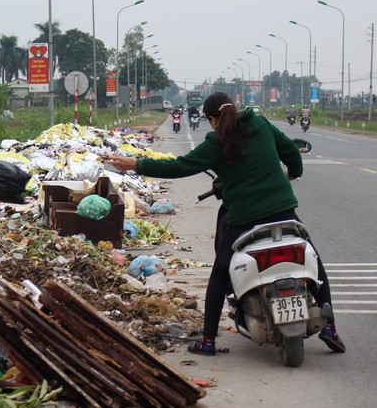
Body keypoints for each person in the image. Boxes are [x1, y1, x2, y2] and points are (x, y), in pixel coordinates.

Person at [107, 92, 345, 356]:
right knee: (311, 258)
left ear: (212, 119)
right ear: (235, 106)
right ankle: (331, 327)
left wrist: (137, 164)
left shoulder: (216, 140)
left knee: (220, 273)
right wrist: (293, 174)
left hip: (244, 218)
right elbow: (290, 150)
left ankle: (208, 341)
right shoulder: (261, 124)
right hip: (283, 210)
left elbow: (181, 166)